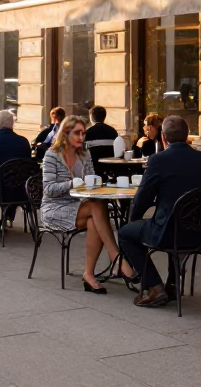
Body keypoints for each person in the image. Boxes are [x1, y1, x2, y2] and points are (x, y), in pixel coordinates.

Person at [119, 115, 201, 308]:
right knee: (175, 219)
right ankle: (172, 284)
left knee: (125, 234)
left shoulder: (158, 160)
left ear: (163, 137)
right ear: (188, 137)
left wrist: (133, 219)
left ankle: (155, 287)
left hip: (169, 233)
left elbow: (142, 197)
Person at [40, 115, 132, 294]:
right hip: (54, 208)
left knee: (94, 217)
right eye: (77, 133)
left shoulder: (85, 153)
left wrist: (97, 183)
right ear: (65, 133)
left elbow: (90, 182)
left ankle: (89, 274)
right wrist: (71, 184)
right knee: (97, 207)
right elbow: (49, 189)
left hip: (80, 204)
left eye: (83, 133)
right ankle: (117, 258)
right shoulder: (52, 155)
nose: (81, 137)